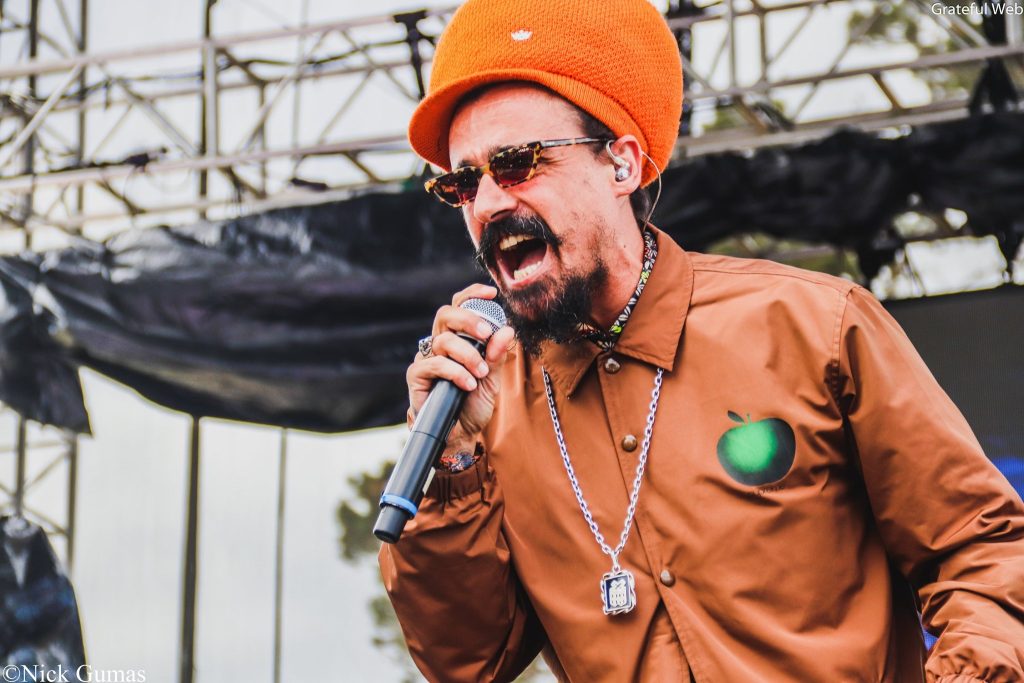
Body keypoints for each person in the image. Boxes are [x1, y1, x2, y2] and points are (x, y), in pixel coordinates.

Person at [378, 0, 1024, 680]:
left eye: (517, 164)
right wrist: (450, 465)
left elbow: (984, 553)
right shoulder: (488, 409)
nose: (487, 203)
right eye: (463, 183)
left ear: (622, 165)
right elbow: (467, 661)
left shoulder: (812, 325)